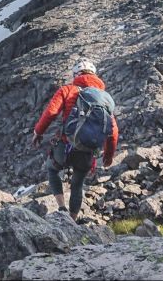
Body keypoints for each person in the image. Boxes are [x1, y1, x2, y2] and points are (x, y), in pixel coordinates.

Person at [30, 58, 119, 220]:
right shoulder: (105, 99)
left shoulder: (68, 90)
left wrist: (38, 132)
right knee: (77, 185)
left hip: (65, 145)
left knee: (52, 168)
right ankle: (72, 220)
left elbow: (50, 113)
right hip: (87, 150)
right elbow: (113, 131)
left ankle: (61, 207)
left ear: (76, 74)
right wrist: (108, 156)